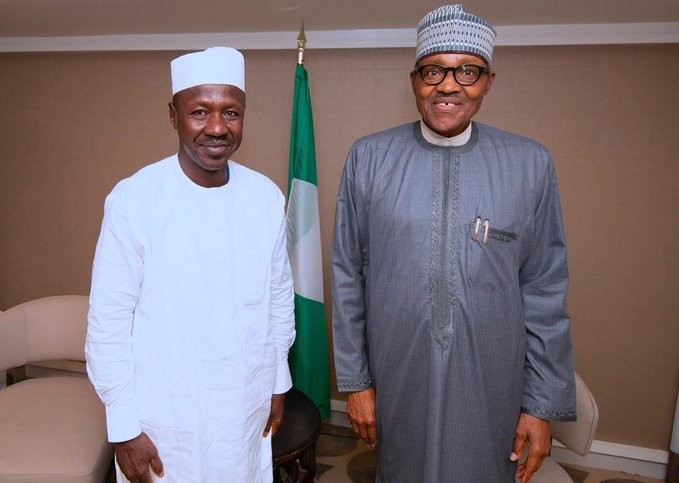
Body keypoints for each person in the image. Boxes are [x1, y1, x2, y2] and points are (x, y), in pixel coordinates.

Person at [331, 5, 576, 482]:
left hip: (491, 384)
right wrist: (357, 384)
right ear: (415, 80)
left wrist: (540, 406)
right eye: (433, 70)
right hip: (399, 377)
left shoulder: (530, 164)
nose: (448, 85)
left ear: (488, 81)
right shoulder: (369, 158)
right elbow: (346, 277)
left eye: (467, 71)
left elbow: (546, 290)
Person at [85, 47, 295, 483]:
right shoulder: (133, 201)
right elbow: (107, 324)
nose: (217, 127)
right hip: (166, 419)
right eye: (200, 111)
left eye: (231, 112)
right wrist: (124, 429)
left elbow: (277, 301)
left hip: (245, 407)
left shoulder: (266, 198)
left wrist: (278, 382)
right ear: (173, 115)